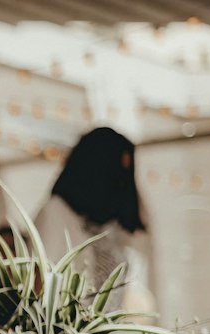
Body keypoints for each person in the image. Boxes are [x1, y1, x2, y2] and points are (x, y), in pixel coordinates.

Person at [34, 126, 146, 297]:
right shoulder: (55, 214)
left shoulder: (107, 227)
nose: (121, 185)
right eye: (116, 174)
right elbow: (37, 286)